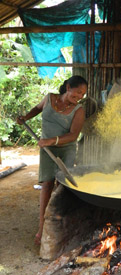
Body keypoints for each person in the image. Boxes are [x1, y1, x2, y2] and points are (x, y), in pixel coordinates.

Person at [17, 75, 88, 245]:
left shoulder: (78, 110)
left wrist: (51, 140)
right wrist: (26, 117)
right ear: (68, 86)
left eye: (82, 95)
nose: (78, 97)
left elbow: (73, 136)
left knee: (62, 188)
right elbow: (37, 108)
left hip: (65, 151)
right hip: (47, 150)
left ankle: (61, 227)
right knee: (47, 185)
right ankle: (42, 228)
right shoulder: (49, 98)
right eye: (77, 92)